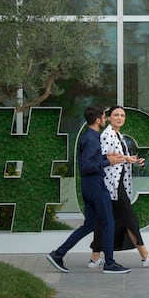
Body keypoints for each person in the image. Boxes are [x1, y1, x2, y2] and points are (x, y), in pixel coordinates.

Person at [46, 105, 131, 274]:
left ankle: (58, 254)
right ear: (97, 120)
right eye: (104, 116)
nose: (106, 119)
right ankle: (109, 263)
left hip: (90, 185)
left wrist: (107, 158)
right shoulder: (92, 139)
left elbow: (91, 160)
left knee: (90, 225)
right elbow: (86, 166)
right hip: (95, 185)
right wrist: (108, 162)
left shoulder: (91, 136)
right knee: (109, 222)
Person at [88, 105, 149, 268]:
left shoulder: (118, 136)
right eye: (116, 115)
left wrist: (134, 161)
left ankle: (95, 259)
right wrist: (125, 158)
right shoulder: (107, 135)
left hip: (118, 183)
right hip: (112, 185)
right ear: (108, 118)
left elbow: (119, 158)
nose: (119, 118)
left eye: (122, 115)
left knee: (105, 221)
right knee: (130, 218)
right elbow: (103, 157)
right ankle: (145, 256)